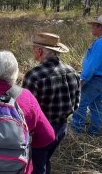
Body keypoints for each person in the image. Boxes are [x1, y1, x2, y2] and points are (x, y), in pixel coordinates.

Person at [22, 32, 80, 174]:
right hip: (62, 127)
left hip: (41, 130)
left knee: (37, 164)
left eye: (34, 48)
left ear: (40, 51)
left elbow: (24, 111)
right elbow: (76, 103)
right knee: (45, 159)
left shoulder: (34, 76)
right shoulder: (73, 72)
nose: (33, 51)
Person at [71, 15, 102, 136]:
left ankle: (77, 131)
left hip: (96, 79)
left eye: (94, 25)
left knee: (80, 102)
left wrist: (82, 79)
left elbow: (93, 64)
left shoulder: (101, 43)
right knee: (96, 103)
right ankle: (95, 130)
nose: (92, 28)